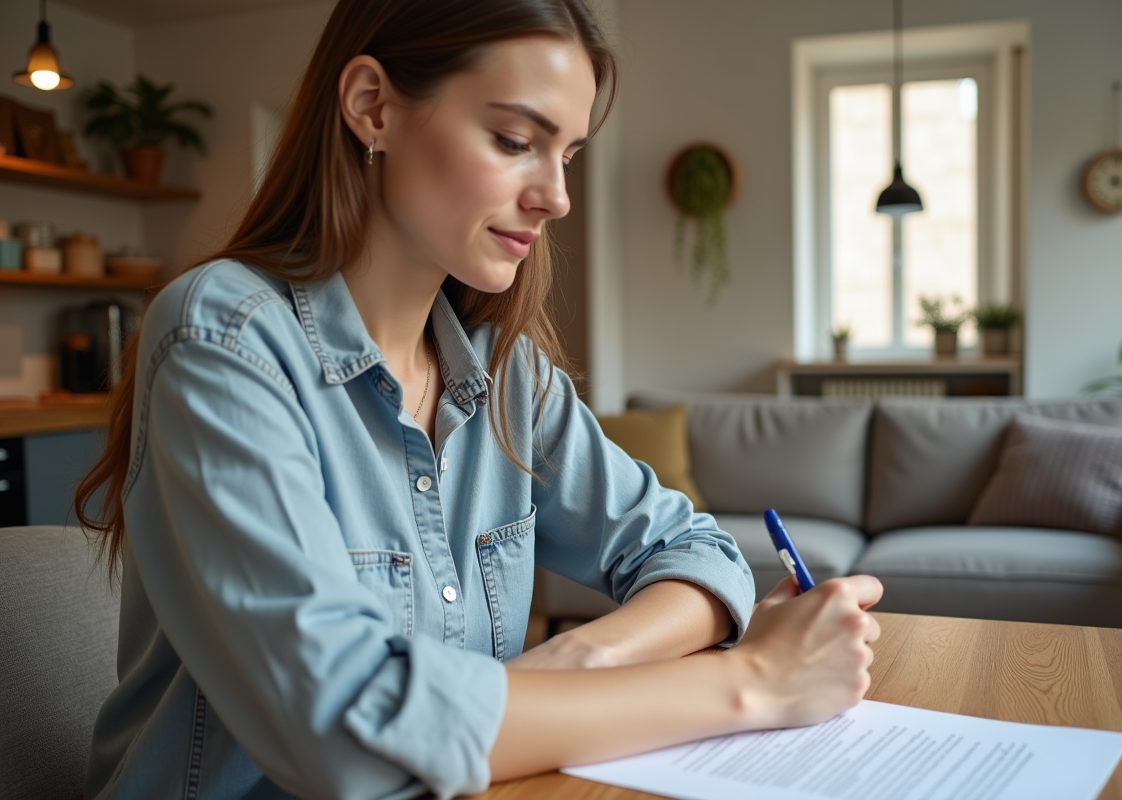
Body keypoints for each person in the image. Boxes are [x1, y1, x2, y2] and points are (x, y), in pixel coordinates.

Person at [75, 1, 883, 798]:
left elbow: (697, 552)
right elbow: (343, 733)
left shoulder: (508, 376)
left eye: (566, 153)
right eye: (513, 141)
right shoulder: (223, 338)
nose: (557, 197)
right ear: (372, 107)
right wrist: (755, 683)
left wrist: (573, 663)